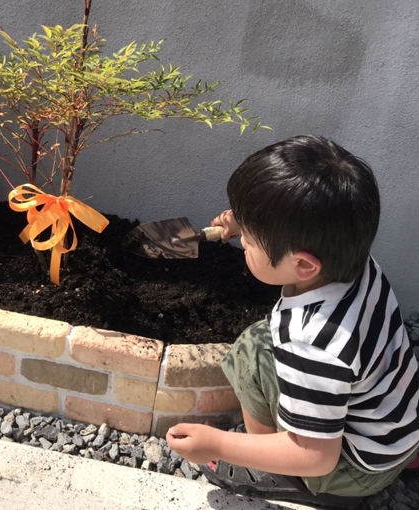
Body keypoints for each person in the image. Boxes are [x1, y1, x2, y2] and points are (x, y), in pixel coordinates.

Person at [166, 135, 419, 508]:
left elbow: (317, 455)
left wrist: (219, 444)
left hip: (350, 468)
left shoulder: (313, 342)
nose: (241, 243)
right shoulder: (355, 263)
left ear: (303, 264)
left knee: (250, 352)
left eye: (248, 240)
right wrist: (245, 221)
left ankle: (275, 470)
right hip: (397, 431)